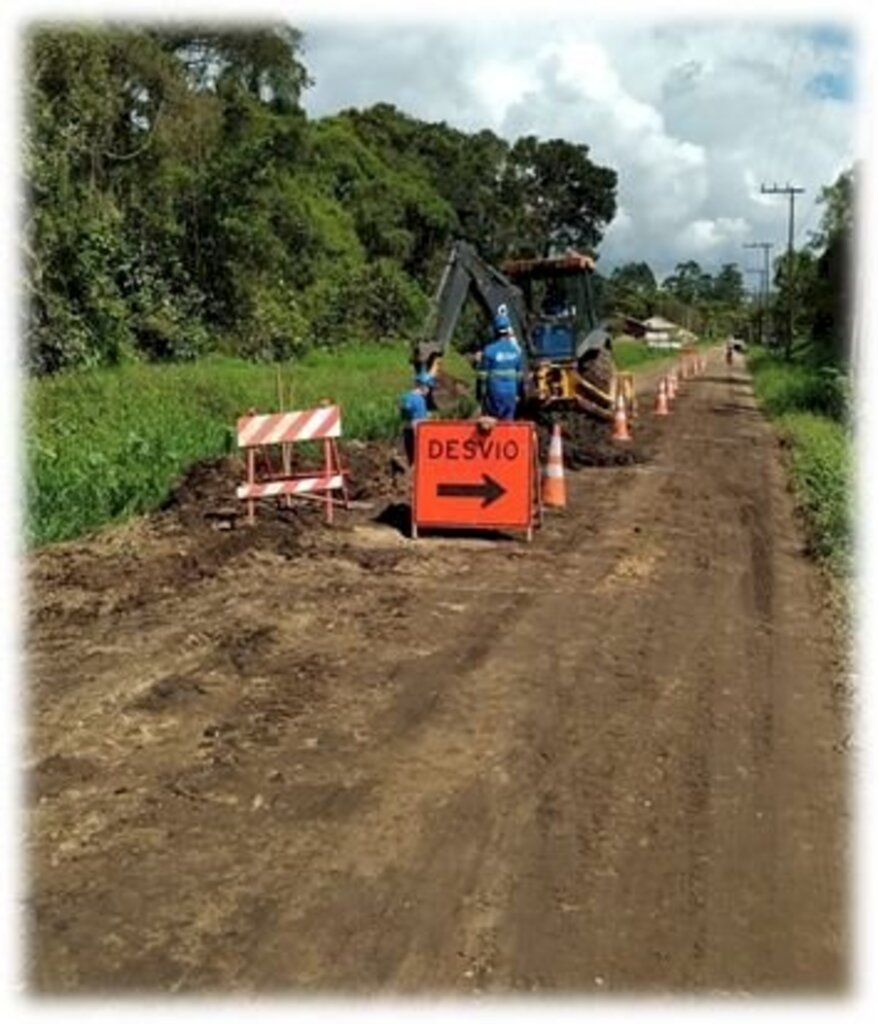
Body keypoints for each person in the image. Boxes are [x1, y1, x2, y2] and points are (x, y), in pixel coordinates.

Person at [477, 313, 524, 420]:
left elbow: (482, 377)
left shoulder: (489, 350)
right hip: (511, 393)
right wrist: (519, 394)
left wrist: (480, 395)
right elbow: (520, 377)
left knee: (492, 424)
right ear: (508, 330)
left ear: (494, 330)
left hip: (494, 393)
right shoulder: (515, 351)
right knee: (508, 423)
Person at [398, 370, 436, 466]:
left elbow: (404, 412)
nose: (429, 391)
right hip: (417, 433)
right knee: (419, 461)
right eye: (429, 388)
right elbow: (420, 421)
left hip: (406, 431)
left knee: (411, 459)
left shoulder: (405, 397)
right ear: (425, 386)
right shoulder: (420, 400)